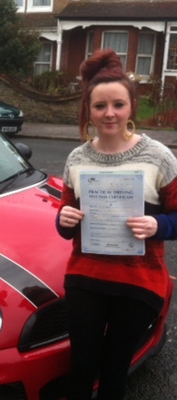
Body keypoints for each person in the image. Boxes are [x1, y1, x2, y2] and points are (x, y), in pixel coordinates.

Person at [56, 48, 177, 400]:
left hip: (139, 280)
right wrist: (63, 220)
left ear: (131, 107)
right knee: (81, 365)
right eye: (100, 106)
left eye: (118, 105)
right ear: (89, 111)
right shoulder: (77, 159)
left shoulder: (158, 157)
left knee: (114, 368)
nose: (110, 114)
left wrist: (159, 227)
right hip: (86, 277)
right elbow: (67, 227)